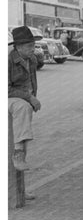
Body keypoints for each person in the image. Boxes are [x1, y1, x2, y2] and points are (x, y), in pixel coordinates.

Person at [9, 26, 43, 172]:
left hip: (24, 101)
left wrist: (32, 98)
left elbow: (32, 82)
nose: (33, 49)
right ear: (18, 47)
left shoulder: (32, 59)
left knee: (23, 142)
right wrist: (30, 98)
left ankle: (20, 193)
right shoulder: (7, 61)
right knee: (23, 107)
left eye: (33, 45)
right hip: (10, 98)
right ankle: (17, 153)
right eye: (29, 46)